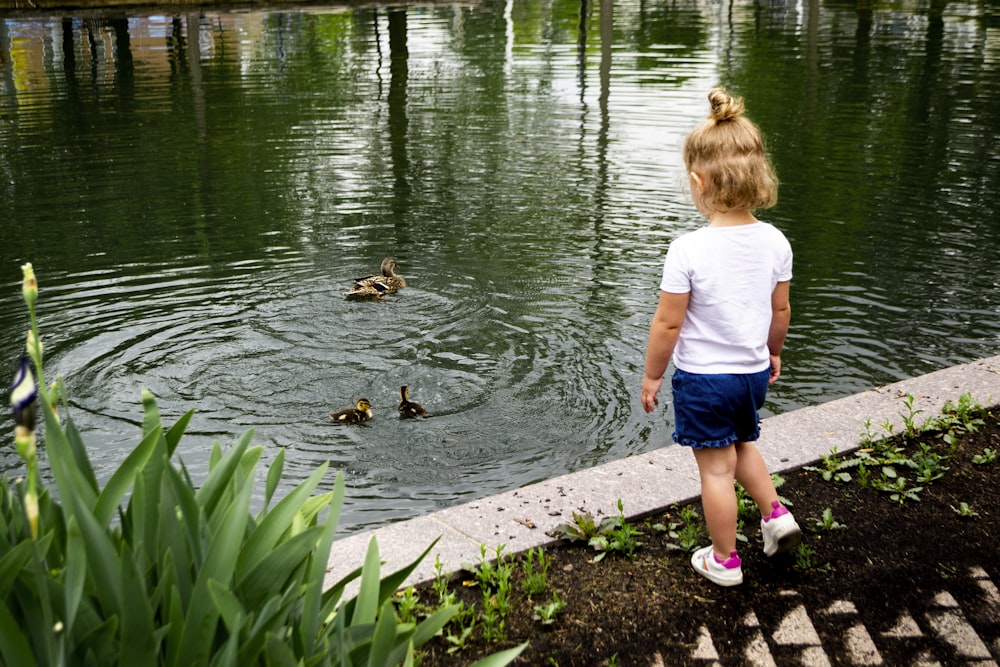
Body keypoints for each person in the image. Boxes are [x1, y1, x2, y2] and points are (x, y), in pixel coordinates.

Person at [640, 87, 801, 587]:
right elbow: (781, 308)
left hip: (705, 380)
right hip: (751, 372)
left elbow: (667, 323)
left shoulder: (688, 250)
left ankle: (725, 559)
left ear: (697, 181)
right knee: (742, 443)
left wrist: (651, 375)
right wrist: (773, 351)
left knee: (715, 468)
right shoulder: (775, 241)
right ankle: (775, 514)